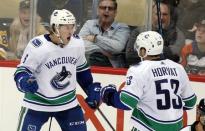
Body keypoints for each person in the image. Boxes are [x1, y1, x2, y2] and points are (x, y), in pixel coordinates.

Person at [13, 9, 101, 131]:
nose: (71, 31)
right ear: (55, 28)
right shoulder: (37, 46)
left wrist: (90, 89)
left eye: (73, 27)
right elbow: (22, 71)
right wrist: (24, 81)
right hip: (37, 104)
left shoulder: (77, 43)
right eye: (66, 27)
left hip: (68, 104)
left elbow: (82, 70)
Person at [98, 31, 197, 130]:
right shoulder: (178, 68)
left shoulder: (139, 70)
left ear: (143, 50)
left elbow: (126, 102)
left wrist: (108, 94)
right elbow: (190, 102)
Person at [125, 0, 184, 67]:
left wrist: (145, 50)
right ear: (151, 15)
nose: (161, 18)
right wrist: (161, 51)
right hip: (142, 72)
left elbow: (173, 56)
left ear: (170, 16)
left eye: (165, 14)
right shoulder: (138, 32)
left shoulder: (177, 34)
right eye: (158, 14)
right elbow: (130, 56)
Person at [79, 0, 130, 68]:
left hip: (112, 69)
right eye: (103, 8)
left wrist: (95, 38)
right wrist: (102, 51)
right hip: (88, 65)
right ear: (98, 10)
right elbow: (79, 44)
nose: (106, 11)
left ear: (115, 12)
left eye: (110, 8)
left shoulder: (122, 28)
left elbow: (117, 47)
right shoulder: (89, 24)